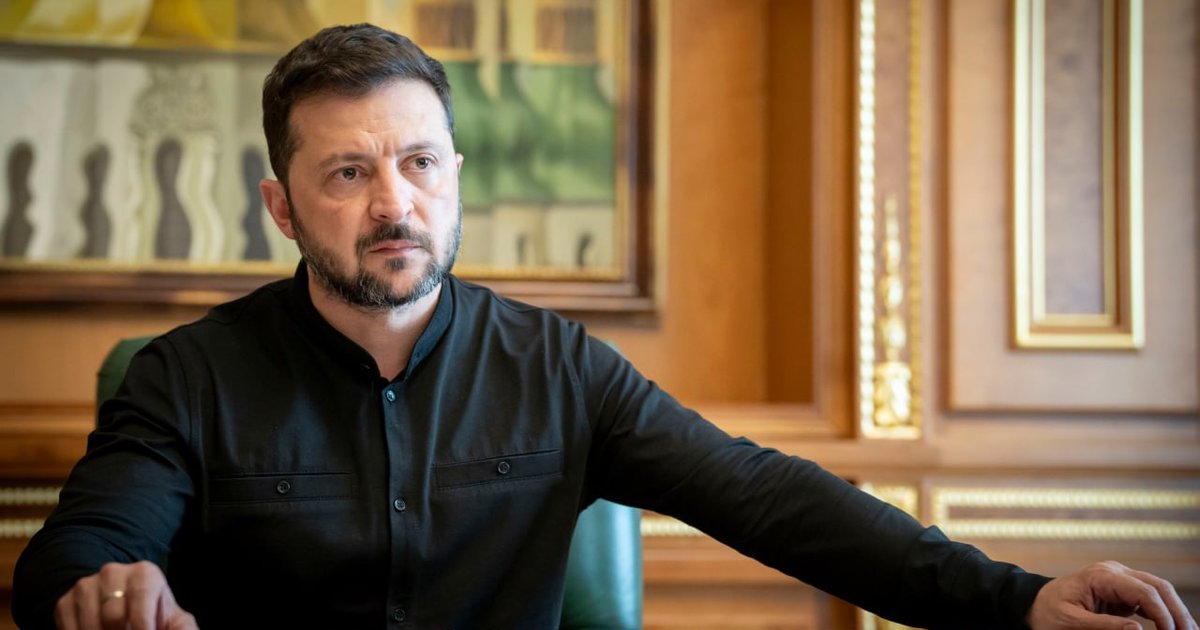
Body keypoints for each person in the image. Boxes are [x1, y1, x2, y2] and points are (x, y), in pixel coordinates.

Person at [13, 23, 1197, 630]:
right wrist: (106, 590)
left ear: (458, 177)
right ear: (282, 206)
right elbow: (74, 552)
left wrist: (1013, 600)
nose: (394, 206)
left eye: (420, 163)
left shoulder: (559, 368)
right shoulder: (185, 376)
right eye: (349, 173)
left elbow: (765, 496)